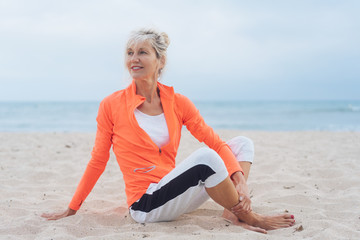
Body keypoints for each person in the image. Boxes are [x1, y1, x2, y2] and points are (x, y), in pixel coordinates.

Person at [42, 28, 295, 234]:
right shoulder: (112, 105)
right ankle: (248, 216)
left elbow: (217, 143)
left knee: (241, 143)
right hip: (146, 205)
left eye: (142, 52)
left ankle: (232, 210)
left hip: (174, 190)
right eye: (129, 52)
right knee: (207, 159)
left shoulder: (178, 102)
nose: (133, 58)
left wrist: (239, 180)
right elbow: (98, 160)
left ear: (160, 60)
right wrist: (72, 208)